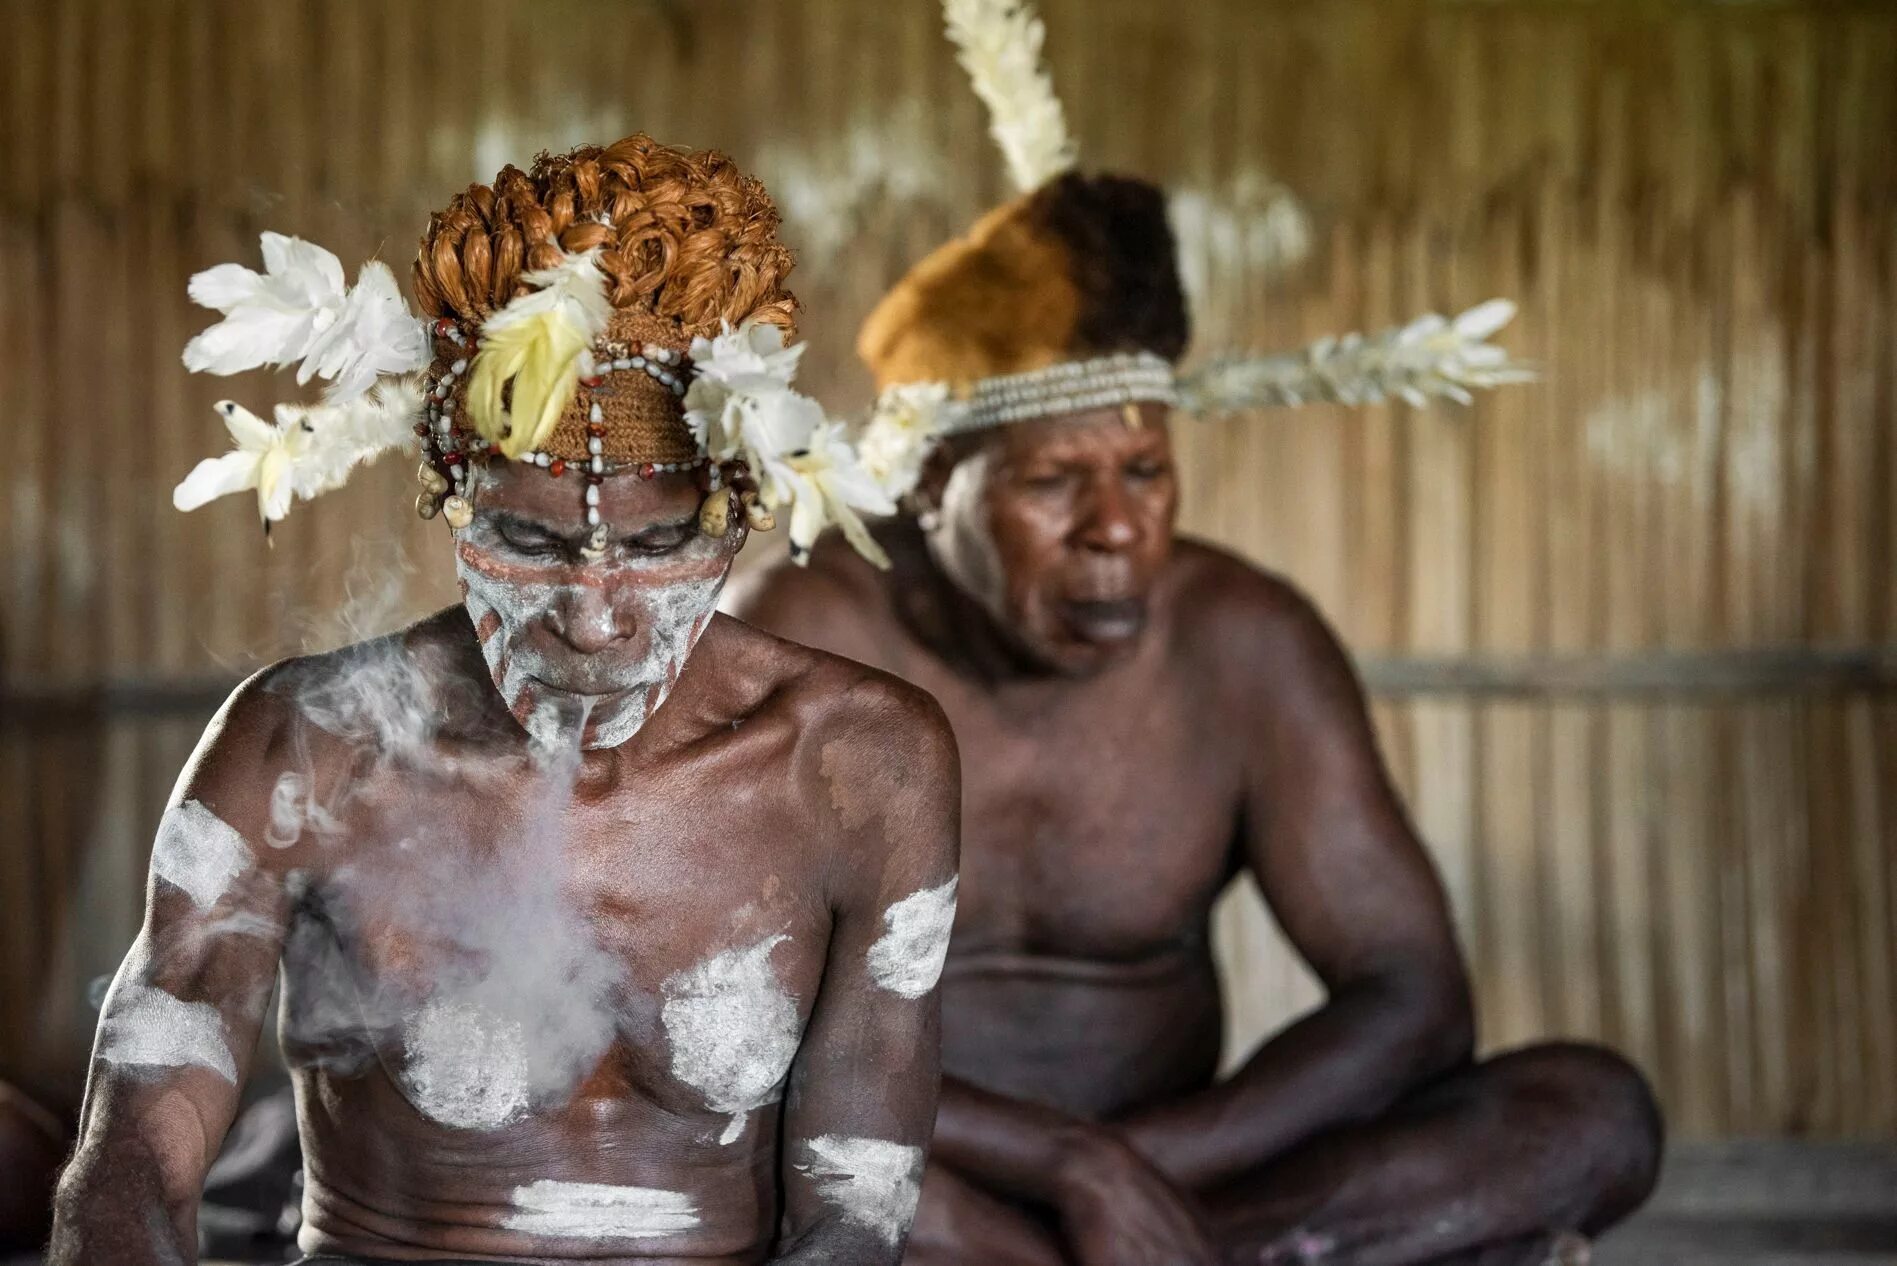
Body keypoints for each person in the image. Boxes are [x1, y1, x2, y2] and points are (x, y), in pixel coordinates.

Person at [729, 5, 1661, 1263]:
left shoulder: (1241, 640)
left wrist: (1133, 1178)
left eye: (1148, 472)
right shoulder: (804, 639)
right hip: (909, 1176)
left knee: (1589, 1112)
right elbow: (720, 1020)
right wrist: (1068, 1164)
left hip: (1192, 1185)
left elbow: (1410, 997)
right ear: (930, 484)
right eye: (1057, 482)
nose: (1119, 530)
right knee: (766, 1180)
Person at [51, 133, 959, 1266]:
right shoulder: (307, 745)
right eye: (529, 543)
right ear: (451, 498)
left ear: (737, 511)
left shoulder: (863, 764)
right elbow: (135, 1149)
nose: (591, 617)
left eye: (655, 544)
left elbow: (852, 1219)